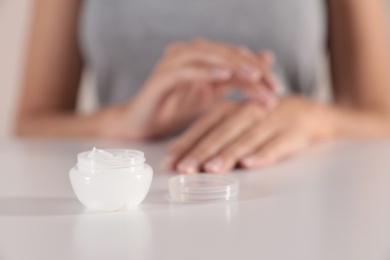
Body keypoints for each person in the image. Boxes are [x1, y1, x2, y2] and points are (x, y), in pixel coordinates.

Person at [15, 0, 390, 174]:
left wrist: (308, 117)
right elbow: (30, 123)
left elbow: (380, 117)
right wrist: (121, 122)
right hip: (130, 210)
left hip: (287, 196)